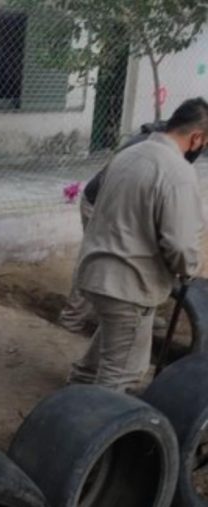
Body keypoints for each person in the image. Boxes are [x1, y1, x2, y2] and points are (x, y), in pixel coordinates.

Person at [68, 98, 208, 393]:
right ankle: (95, 419)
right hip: (129, 284)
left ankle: (76, 391)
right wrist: (189, 269)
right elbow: (181, 245)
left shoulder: (129, 154)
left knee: (112, 338)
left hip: (96, 271)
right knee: (122, 374)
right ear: (197, 137)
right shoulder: (178, 172)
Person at [58, 121, 167, 333]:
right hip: (102, 204)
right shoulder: (147, 148)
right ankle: (72, 317)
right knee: (96, 260)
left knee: (136, 260)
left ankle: (138, 313)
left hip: (126, 207)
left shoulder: (168, 144)